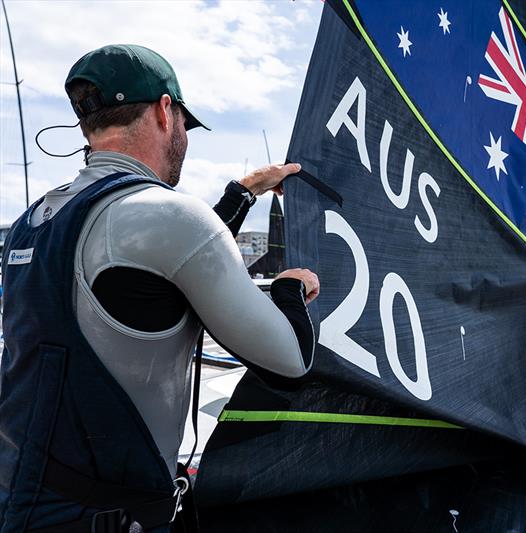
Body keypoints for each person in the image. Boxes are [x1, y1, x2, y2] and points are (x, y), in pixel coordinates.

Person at [0, 44, 318, 533]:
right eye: (186, 127)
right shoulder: (169, 215)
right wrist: (289, 290)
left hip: (16, 493)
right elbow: (291, 362)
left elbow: (161, 262)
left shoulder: (34, 221)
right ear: (165, 111)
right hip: (104, 518)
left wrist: (243, 191)